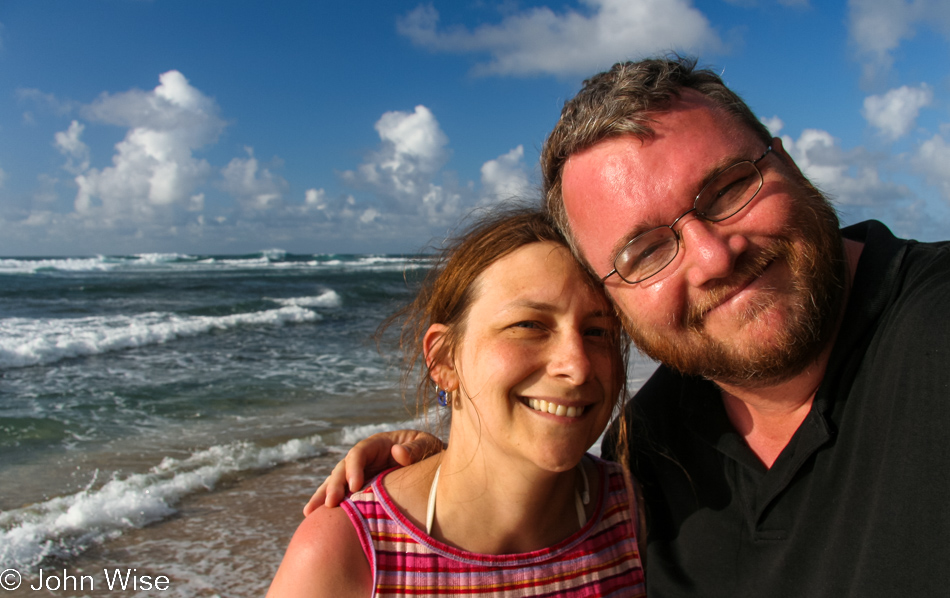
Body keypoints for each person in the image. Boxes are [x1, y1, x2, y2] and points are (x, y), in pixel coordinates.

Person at [309, 56, 950, 597]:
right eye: (644, 252)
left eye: (729, 188)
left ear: (787, 162)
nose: (711, 256)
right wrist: (452, 458)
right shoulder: (649, 449)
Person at [268, 209, 646, 597]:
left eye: (598, 331)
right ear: (445, 359)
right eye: (529, 325)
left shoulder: (632, 513)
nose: (577, 365)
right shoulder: (351, 552)